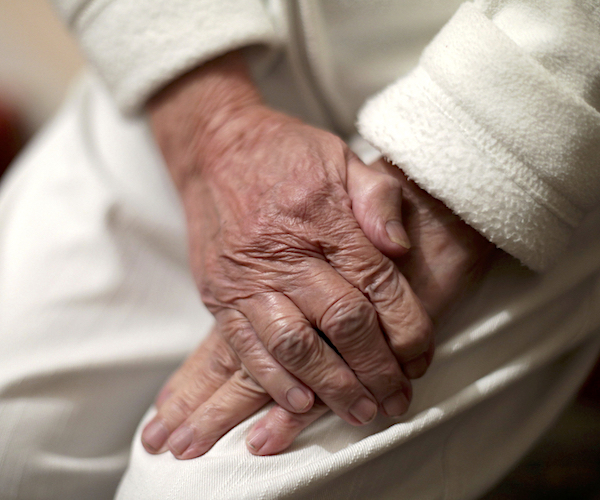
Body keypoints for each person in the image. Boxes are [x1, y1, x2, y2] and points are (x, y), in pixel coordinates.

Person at [1, 1, 599, 499]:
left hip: (511, 97)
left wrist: (477, 157)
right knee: (12, 445)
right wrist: (209, 126)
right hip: (188, 54)